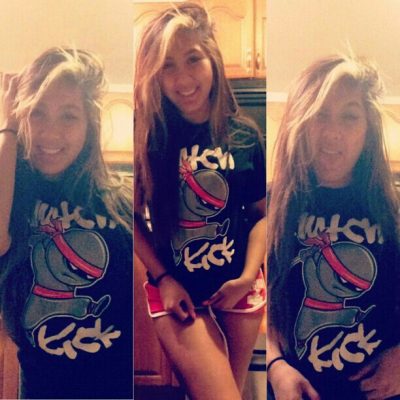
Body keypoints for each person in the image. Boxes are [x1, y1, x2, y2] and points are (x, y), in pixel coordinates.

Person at [134, 2, 266, 399]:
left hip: (238, 289)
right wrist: (164, 278)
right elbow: (131, 217)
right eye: (167, 66)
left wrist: (247, 277)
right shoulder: (149, 137)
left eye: (193, 58)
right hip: (176, 290)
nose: (183, 78)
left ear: (213, 59)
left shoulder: (245, 135)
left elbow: (261, 216)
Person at [0, 47, 133, 399]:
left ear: (91, 125)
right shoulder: (12, 198)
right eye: (37, 113)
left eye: (69, 116)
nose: (50, 133)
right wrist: (8, 127)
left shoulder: (119, 201)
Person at [267, 54, 400, 400]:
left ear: (368, 129)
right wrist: (275, 366)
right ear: (301, 121)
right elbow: (261, 302)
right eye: (320, 115)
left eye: (349, 117)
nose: (332, 133)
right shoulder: (273, 204)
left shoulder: (393, 209)